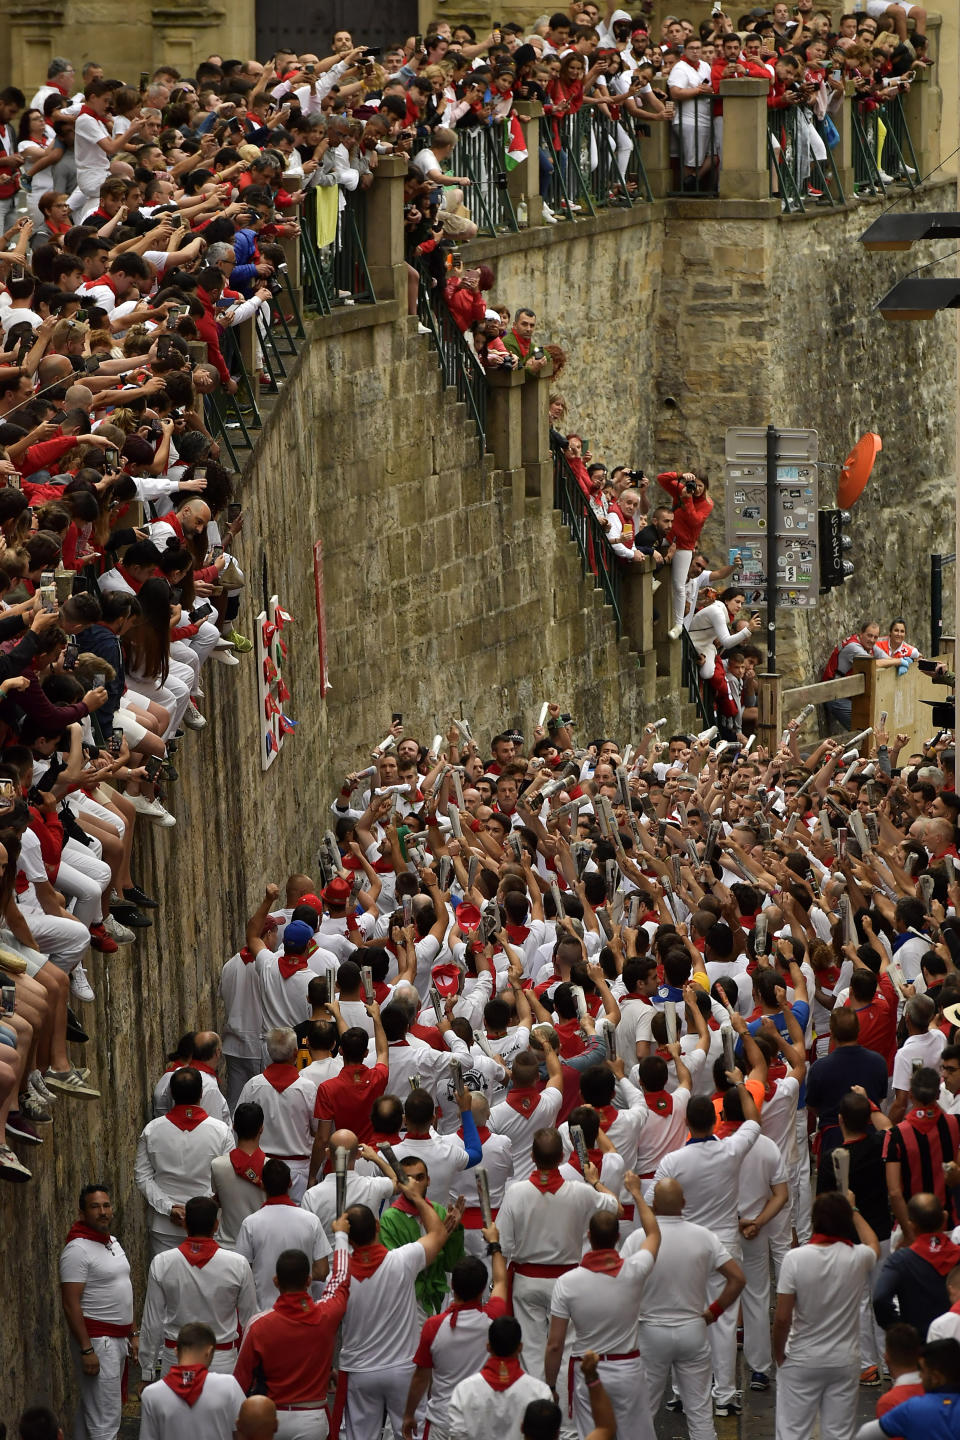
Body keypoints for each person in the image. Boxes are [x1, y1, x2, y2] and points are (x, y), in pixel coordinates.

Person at [651, 1074, 760, 1417]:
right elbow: (753, 1122)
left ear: (686, 1122)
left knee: (681, 1313)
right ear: (715, 1120)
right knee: (724, 1321)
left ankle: (681, 1391)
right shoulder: (730, 1149)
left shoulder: (672, 1162)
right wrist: (740, 1085)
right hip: (725, 1243)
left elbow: (657, 1202)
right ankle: (725, 1395)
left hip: (685, 1243)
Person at [623, 1177, 744, 1440]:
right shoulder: (704, 1237)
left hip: (650, 1332)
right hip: (693, 1329)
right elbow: (737, 1279)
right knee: (700, 1413)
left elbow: (620, 1286)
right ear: (684, 1204)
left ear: (653, 1205)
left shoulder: (637, 1239)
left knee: (643, 1413)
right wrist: (713, 1312)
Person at [496, 1128, 620, 1381]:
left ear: (531, 1155)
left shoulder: (515, 1193)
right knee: (565, 1349)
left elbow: (504, 1244)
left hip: (526, 1281)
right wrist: (594, 1181)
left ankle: (537, 1408)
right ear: (562, 1156)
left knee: (530, 1350)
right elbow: (616, 1206)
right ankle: (562, 1414)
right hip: (565, 1282)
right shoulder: (581, 1191)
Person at [334, 1181, 449, 1440]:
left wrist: (340, 1238)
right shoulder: (402, 1260)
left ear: (349, 1239)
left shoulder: (340, 1273)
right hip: (402, 1369)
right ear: (377, 1226)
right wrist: (417, 1198)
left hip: (360, 1371)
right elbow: (439, 1234)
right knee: (412, 1435)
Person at [545, 1185, 660, 1440]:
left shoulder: (568, 1282)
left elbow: (555, 1344)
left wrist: (552, 1386)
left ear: (589, 1236)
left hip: (588, 1370)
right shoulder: (635, 1269)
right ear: (618, 1239)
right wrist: (638, 1195)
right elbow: (653, 1233)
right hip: (627, 1368)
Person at [773, 1191, 881, 1440]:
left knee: (792, 1431)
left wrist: (778, 1353)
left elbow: (782, 1318)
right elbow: (873, 1243)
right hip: (844, 1360)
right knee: (839, 1434)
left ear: (814, 1221)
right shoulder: (858, 1257)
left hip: (802, 1357)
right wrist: (854, 1211)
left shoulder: (795, 1259)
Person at [234, 1228, 352, 1440]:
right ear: (308, 1281)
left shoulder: (259, 1325)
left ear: (276, 1281)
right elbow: (341, 1279)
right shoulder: (327, 1314)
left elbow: (241, 1382)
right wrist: (341, 1236)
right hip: (312, 1419)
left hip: (269, 1418)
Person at [402, 1224, 510, 1440]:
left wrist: (408, 1414)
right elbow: (500, 1281)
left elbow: (420, 1378)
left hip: (443, 1422)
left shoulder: (434, 1325)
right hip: (480, 1422)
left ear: (452, 1287)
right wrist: (495, 1244)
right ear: (482, 1290)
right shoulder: (493, 1317)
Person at [138, 1197, 258, 1382]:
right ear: (216, 1225)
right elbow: (250, 1319)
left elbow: (152, 1322)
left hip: (176, 1358)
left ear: (184, 1224)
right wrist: (251, 1367)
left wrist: (147, 1370)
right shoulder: (238, 1265)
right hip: (222, 1361)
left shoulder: (162, 1262)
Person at [59, 1184, 136, 1440]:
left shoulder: (111, 1242)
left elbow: (122, 1289)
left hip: (117, 1339)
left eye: (106, 1205)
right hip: (98, 1341)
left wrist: (132, 1332)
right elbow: (71, 1303)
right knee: (105, 1419)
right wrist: (86, 1349)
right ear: (82, 1213)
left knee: (91, 1411)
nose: (103, 1212)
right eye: (95, 1207)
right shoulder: (77, 1250)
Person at [134, 1066, 234, 1258]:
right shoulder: (221, 1131)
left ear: (171, 1093)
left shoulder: (152, 1130)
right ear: (202, 1093)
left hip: (165, 1225)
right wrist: (197, 1209)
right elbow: (226, 1178)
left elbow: (142, 1177)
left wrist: (168, 1207)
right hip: (207, 1223)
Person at [235, 1159, 331, 1311]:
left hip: (263, 1313)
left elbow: (241, 1273)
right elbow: (323, 1270)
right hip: (302, 1311)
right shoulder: (311, 1220)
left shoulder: (250, 1223)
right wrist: (296, 1278)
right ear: (290, 1184)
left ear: (263, 1185)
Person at [236, 1027, 318, 1201]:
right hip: (299, 1170)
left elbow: (238, 1126)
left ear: (268, 1051)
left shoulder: (252, 1086)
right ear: (296, 1053)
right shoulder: (307, 1088)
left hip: (261, 1167)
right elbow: (317, 1128)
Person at [447, 1316, 553, 1440]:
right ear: (520, 1347)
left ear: (488, 1347)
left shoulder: (463, 1391)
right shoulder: (540, 1392)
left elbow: (457, 1435)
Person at [873, 1194, 960, 1339]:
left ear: (911, 1225)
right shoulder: (957, 1254)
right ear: (944, 1217)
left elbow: (880, 1299)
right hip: (955, 1343)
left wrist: (899, 1329)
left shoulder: (899, 1261)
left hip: (917, 1347)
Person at [139, 1322, 245, 1440]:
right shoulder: (229, 1386)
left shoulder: (151, 1394)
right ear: (209, 1351)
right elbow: (243, 1433)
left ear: (176, 1351)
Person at [854, 1337, 960, 1440]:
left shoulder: (914, 1408)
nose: (920, 1376)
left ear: (936, 1377)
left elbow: (865, 1434)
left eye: (922, 1371)